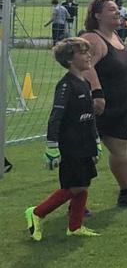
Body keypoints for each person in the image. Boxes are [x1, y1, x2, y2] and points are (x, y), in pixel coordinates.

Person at [25, 38, 101, 240]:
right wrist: (52, 147)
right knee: (73, 186)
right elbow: (55, 118)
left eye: (88, 51)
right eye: (83, 52)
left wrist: (96, 141)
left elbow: (90, 116)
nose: (88, 55)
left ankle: (75, 227)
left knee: (84, 184)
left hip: (86, 143)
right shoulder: (66, 86)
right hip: (71, 146)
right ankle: (36, 212)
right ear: (69, 59)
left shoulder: (84, 82)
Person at [81, 0, 127, 208]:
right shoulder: (93, 38)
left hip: (118, 108)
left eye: (117, 9)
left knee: (121, 151)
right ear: (97, 15)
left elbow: (122, 63)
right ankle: (76, 205)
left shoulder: (115, 37)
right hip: (96, 107)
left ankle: (126, 193)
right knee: (85, 154)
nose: (117, 12)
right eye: (111, 10)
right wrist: (97, 92)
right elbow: (86, 66)